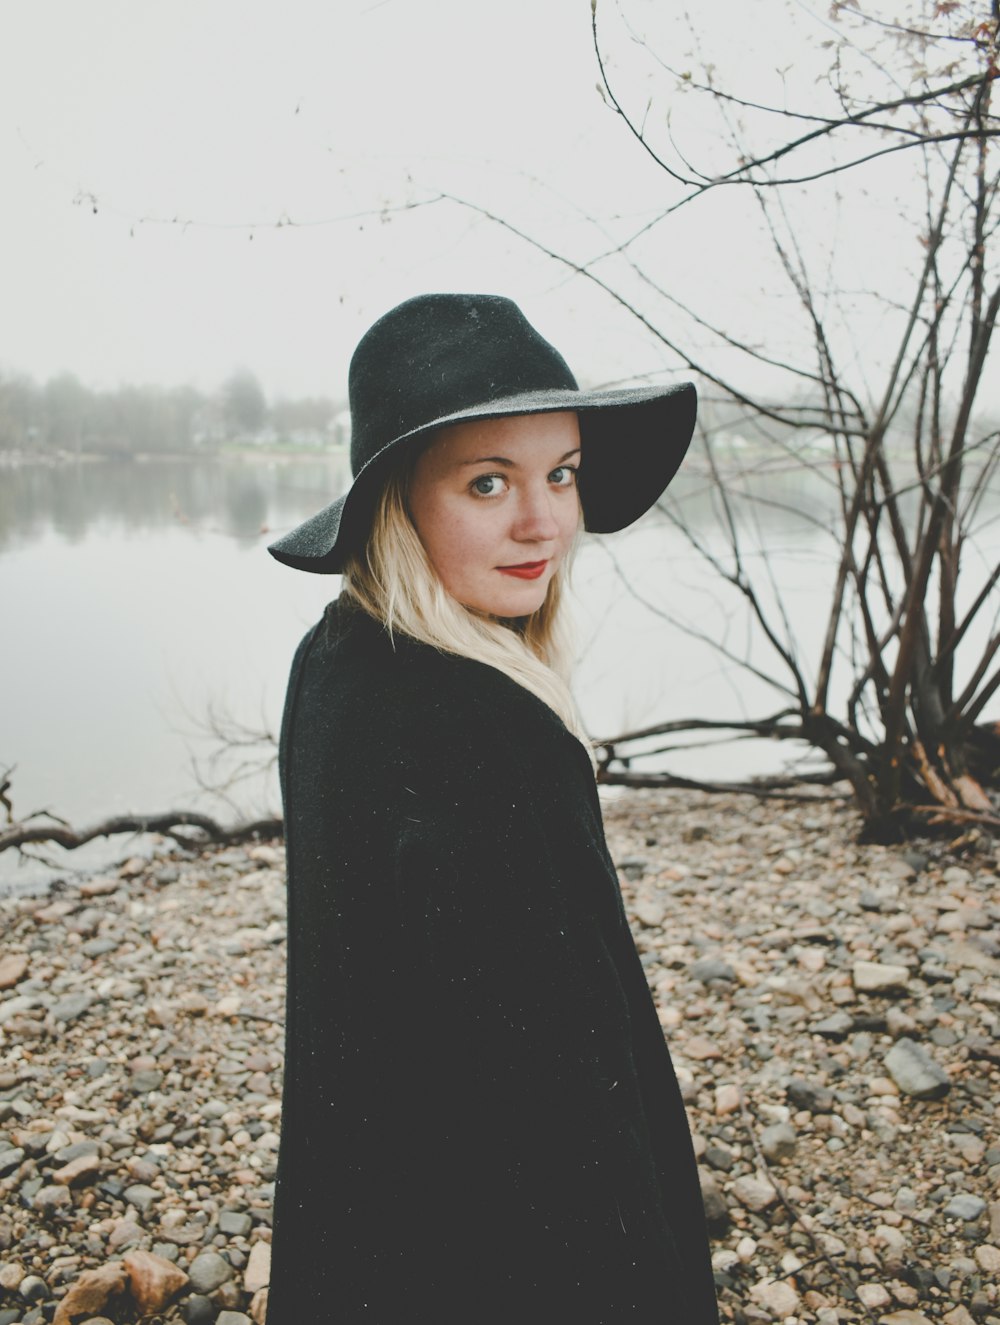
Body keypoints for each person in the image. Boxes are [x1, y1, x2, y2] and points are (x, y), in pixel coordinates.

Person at [265, 293, 719, 1323]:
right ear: (398, 500)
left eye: (560, 472)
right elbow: (557, 1091)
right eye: (487, 481)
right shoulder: (478, 727)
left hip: (374, 1229)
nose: (544, 520)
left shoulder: (338, 659)